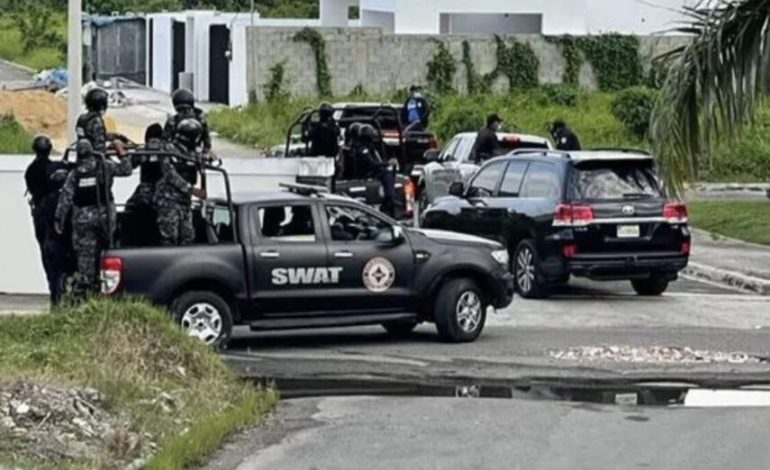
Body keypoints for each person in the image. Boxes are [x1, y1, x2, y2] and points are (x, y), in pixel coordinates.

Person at [55, 139, 132, 296]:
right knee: (109, 250)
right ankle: (111, 285)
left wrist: (59, 218)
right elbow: (127, 170)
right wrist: (122, 153)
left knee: (85, 256)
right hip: (105, 217)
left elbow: (66, 198)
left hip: (83, 219)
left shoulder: (74, 174)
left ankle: (88, 288)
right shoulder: (105, 166)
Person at [25, 135, 72, 305]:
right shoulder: (56, 168)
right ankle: (59, 290)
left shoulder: (30, 171)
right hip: (53, 217)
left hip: (40, 216)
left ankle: (54, 291)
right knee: (59, 254)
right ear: (49, 148)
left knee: (47, 256)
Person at [154, 119, 208, 246]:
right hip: (168, 201)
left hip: (184, 202)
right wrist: (192, 190)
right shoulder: (168, 149)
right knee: (169, 238)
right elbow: (170, 174)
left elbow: (200, 163)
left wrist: (206, 158)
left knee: (188, 238)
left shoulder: (192, 152)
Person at [125, 123, 165, 245]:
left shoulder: (142, 151)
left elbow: (128, 167)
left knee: (129, 207)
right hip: (164, 194)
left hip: (144, 193)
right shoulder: (168, 150)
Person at [357, 124, 396, 217]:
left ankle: (390, 198)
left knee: (389, 172)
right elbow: (372, 164)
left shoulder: (370, 147)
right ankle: (389, 197)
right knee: (387, 174)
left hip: (374, 170)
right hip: (369, 172)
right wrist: (386, 164)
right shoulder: (363, 149)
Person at [164, 88, 213, 157]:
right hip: (177, 153)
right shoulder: (173, 121)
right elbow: (165, 139)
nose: (184, 113)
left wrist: (206, 152)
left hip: (194, 153)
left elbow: (206, 138)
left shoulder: (200, 119)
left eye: (186, 110)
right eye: (181, 110)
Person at [76, 88, 111, 154]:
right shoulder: (96, 120)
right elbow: (99, 145)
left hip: (83, 155)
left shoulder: (82, 118)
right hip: (96, 159)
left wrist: (113, 136)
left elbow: (90, 135)